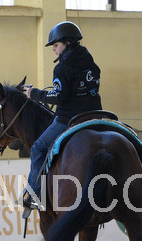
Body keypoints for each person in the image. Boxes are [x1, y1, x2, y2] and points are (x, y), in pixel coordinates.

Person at [23, 21, 102, 208]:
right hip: (96, 116)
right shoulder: (92, 65)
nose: (54, 49)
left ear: (67, 43)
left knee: (38, 148)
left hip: (70, 119)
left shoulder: (62, 68)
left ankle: (34, 194)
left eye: (56, 45)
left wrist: (35, 94)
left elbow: (59, 96)